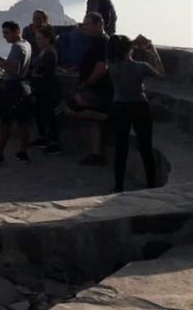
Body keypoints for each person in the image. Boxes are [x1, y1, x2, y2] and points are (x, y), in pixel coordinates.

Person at [107, 35, 165, 192]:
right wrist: (152, 52)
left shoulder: (112, 67)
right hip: (140, 106)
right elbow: (161, 74)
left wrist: (131, 44)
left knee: (121, 148)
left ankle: (118, 186)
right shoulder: (141, 67)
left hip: (119, 107)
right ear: (129, 49)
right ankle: (151, 185)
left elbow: (117, 46)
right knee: (145, 147)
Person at [59, 12, 113, 166]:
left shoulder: (103, 42)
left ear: (99, 25)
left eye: (87, 24)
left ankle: (107, 117)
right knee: (92, 120)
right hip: (95, 89)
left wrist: (86, 83)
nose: (84, 27)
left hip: (99, 89)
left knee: (68, 108)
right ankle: (96, 154)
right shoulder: (95, 41)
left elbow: (101, 67)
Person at [0, 21, 33, 163]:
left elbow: (14, 70)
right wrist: (4, 61)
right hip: (23, 87)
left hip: (12, 88)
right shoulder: (27, 44)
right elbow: (19, 66)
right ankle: (23, 151)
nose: (4, 37)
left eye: (7, 33)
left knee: (6, 122)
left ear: (17, 31)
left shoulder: (16, 48)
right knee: (22, 123)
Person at [30, 27, 63, 155]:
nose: (38, 41)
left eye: (41, 38)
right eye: (37, 38)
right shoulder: (42, 52)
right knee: (40, 114)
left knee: (50, 116)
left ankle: (54, 144)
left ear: (48, 39)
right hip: (40, 89)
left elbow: (45, 72)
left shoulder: (50, 53)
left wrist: (35, 75)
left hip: (48, 90)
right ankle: (42, 138)